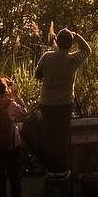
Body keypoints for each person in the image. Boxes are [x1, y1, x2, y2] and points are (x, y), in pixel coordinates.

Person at [34, 27, 91, 173]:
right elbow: (87, 50)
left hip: (47, 103)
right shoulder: (73, 59)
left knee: (49, 137)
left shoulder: (47, 56)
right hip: (65, 104)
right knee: (63, 138)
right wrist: (76, 35)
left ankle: (50, 170)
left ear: (56, 42)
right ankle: (62, 170)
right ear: (71, 44)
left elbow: (38, 75)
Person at [0, 74, 29, 197]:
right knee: (14, 177)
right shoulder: (11, 105)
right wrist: (15, 95)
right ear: (5, 91)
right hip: (12, 146)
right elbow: (24, 113)